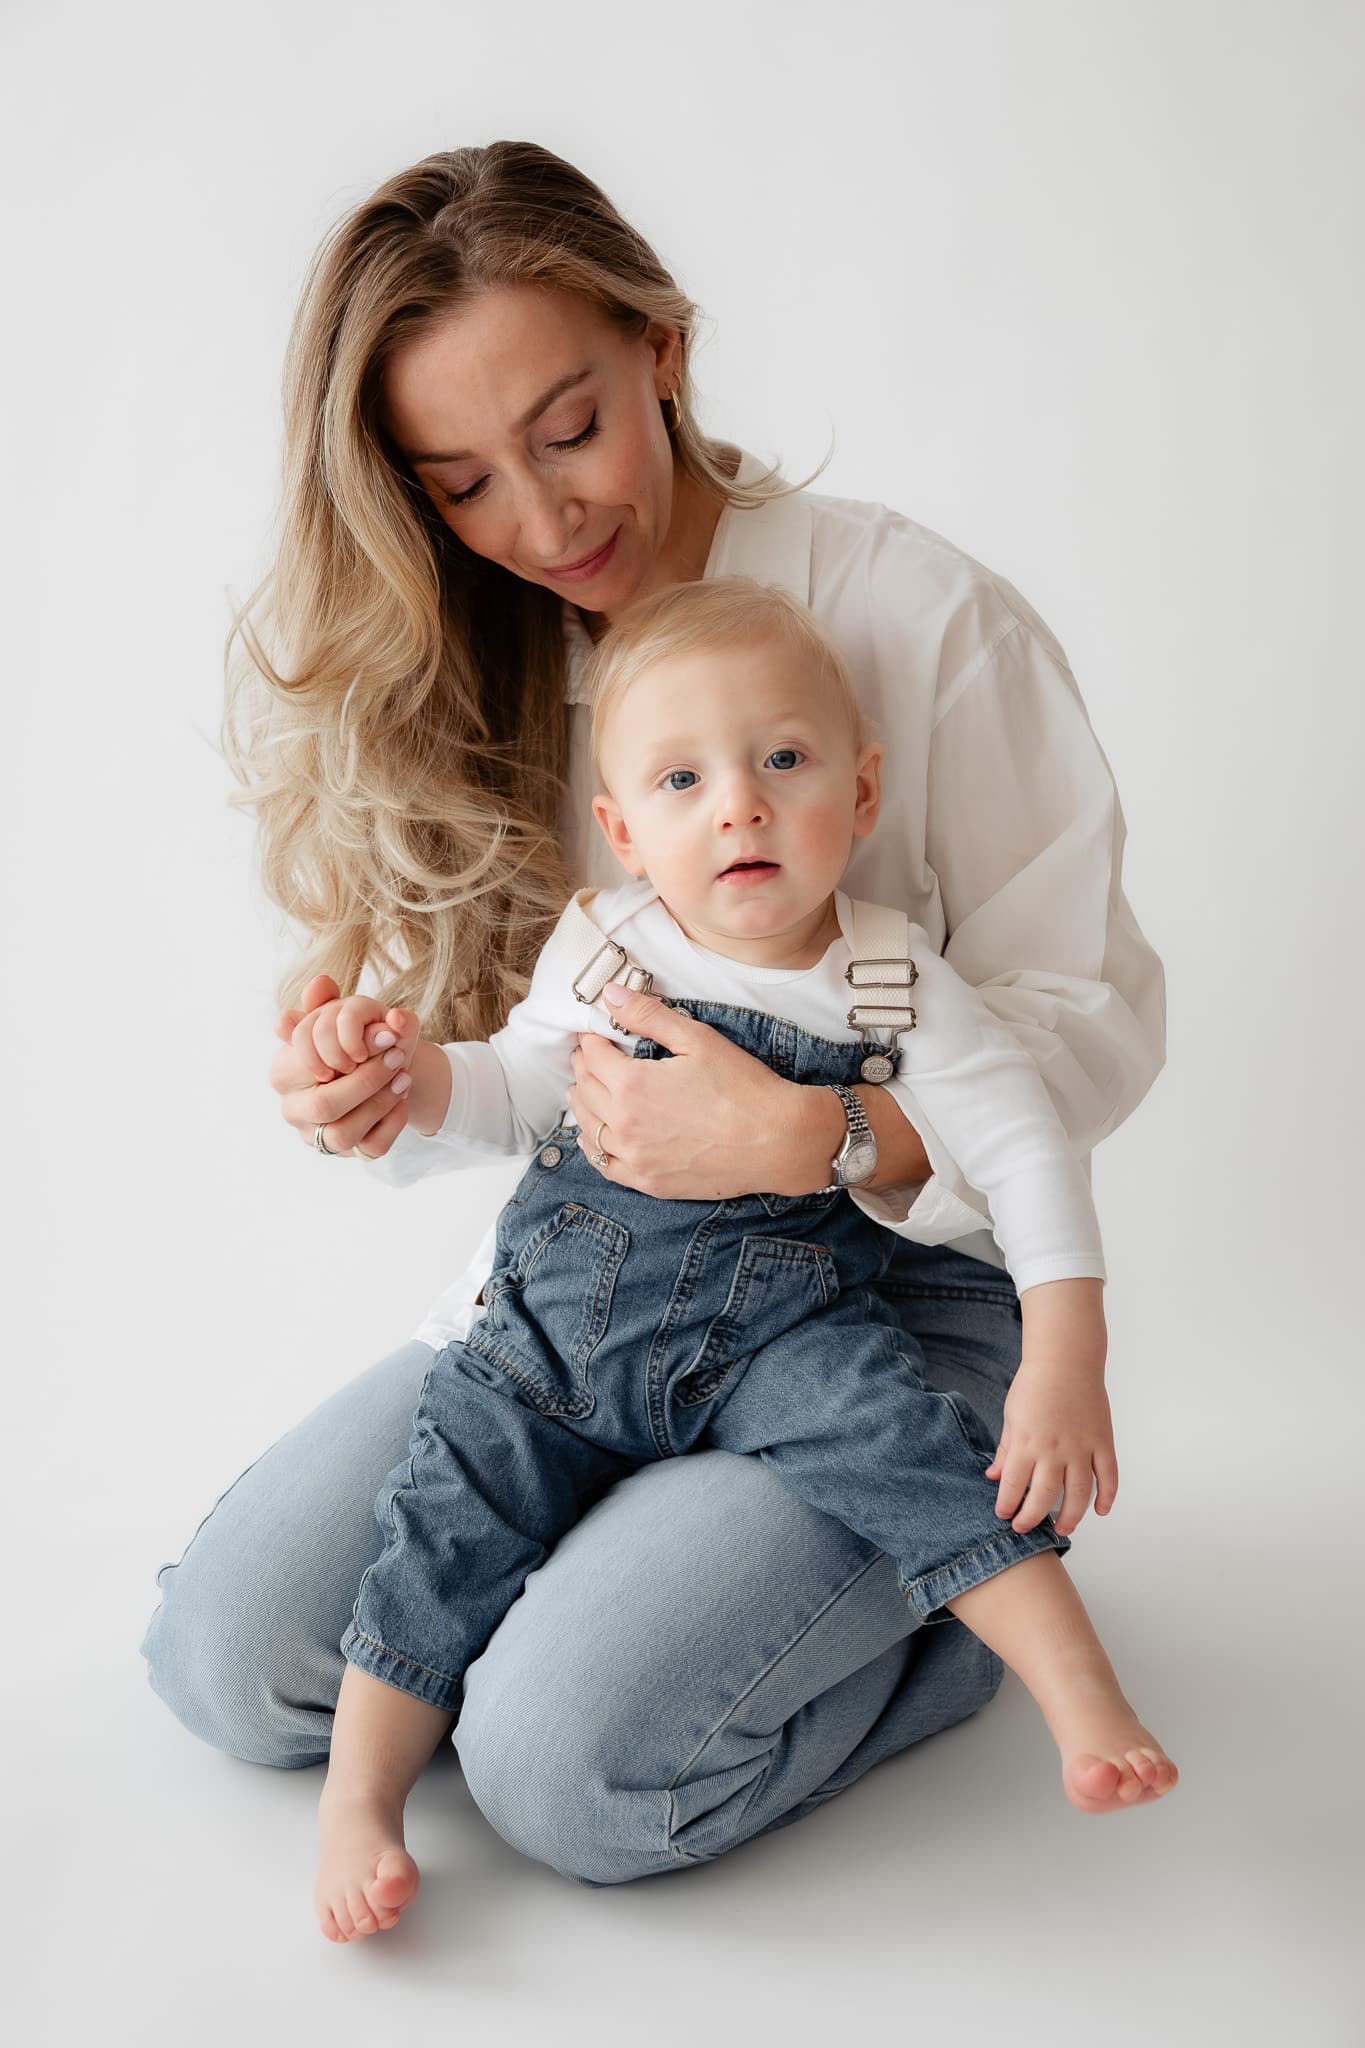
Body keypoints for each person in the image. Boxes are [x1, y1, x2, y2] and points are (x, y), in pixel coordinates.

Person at [139, 141, 1167, 1891]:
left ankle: (934, 1630)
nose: (542, 524)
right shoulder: (482, 658)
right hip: (590, 1306)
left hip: (878, 1302)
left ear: (661, 349)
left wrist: (829, 1133)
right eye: (462, 483)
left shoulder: (917, 618)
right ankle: (628, 1548)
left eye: (570, 430)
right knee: (228, 1666)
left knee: (563, 1773)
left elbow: (1090, 1015)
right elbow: (528, 1075)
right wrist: (380, 1089)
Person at [309, 575, 1175, 1942]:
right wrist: (411, 1080)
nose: (740, 808)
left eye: (782, 760)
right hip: (555, 1335)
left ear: (863, 789)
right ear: (621, 831)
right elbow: (517, 1093)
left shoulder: (894, 981)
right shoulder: (605, 945)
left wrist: (1065, 1355)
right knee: (440, 1530)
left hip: (784, 1338)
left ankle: (1081, 1704)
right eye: (683, 779)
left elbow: (1026, 1159)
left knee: (916, 1459)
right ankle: (360, 1803)